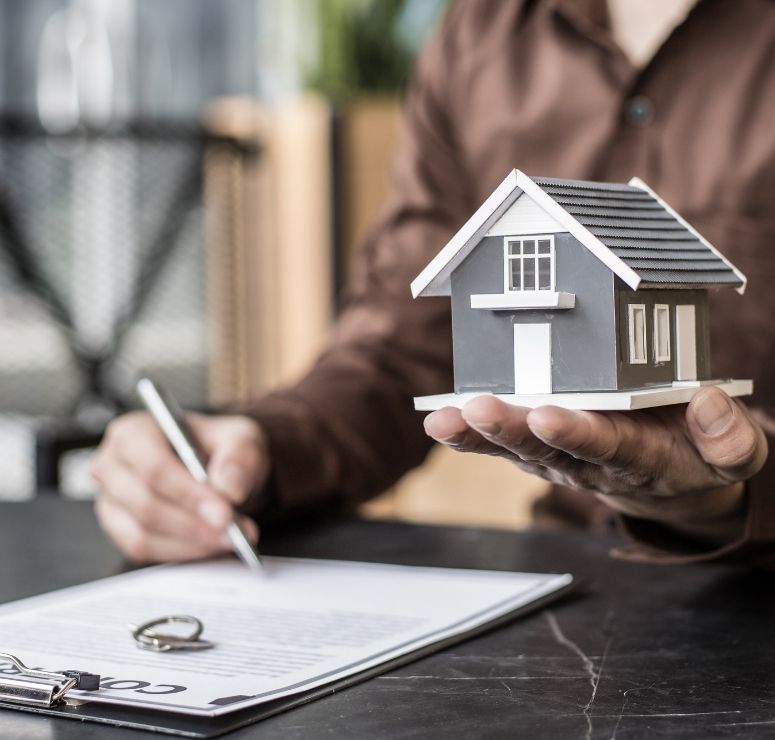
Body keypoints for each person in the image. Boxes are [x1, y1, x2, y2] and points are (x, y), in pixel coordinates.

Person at [90, 0, 775, 566]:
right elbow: (398, 348)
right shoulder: (480, 32)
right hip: (566, 596)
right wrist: (258, 445)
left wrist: (730, 495)